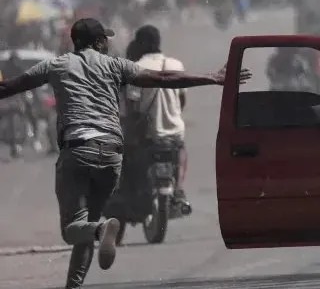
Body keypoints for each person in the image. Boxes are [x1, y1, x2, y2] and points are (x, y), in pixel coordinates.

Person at [0, 18, 250, 289]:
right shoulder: (115, 65)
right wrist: (212, 78)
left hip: (78, 152)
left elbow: (10, 87)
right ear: (96, 42)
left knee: (73, 229)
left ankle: (99, 230)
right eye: (104, 39)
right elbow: (163, 79)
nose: (107, 43)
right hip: (110, 155)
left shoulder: (56, 65)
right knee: (89, 223)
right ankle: (75, 280)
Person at [122, 25, 190, 208]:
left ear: (140, 43)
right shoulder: (176, 65)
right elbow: (181, 100)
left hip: (149, 134)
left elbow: (132, 105)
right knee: (181, 151)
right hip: (175, 132)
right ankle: (180, 189)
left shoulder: (136, 68)